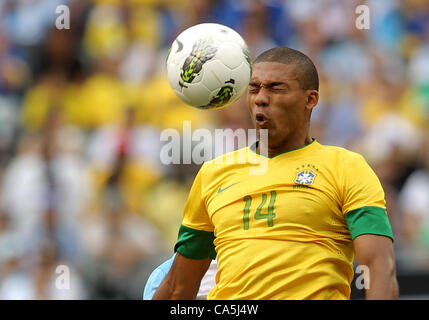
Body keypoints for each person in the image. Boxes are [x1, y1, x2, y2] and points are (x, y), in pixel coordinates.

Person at [152, 47, 399, 300]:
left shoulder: (346, 167)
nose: (261, 97)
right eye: (254, 88)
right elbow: (178, 288)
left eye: (275, 88)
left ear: (310, 99)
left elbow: (379, 269)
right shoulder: (213, 174)